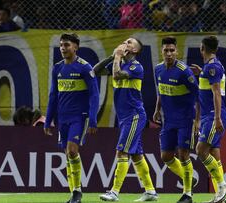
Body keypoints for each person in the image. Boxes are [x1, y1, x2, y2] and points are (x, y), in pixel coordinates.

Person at [93, 38, 158, 202]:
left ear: (135, 50)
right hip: (124, 117)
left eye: (129, 42)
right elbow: (95, 71)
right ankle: (150, 191)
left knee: (122, 151)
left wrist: (117, 57)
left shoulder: (136, 67)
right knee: (136, 155)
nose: (125, 43)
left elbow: (117, 75)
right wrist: (111, 56)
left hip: (134, 115)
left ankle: (114, 192)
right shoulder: (119, 62)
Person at [44, 33, 99, 203]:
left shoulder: (85, 67)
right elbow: (53, 95)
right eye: (61, 45)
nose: (63, 48)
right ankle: (74, 192)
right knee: (68, 154)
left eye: (66, 45)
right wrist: (48, 119)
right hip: (63, 118)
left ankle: (77, 192)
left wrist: (93, 118)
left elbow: (94, 95)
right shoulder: (58, 68)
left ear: (75, 47)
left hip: (79, 117)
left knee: (72, 151)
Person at [153, 36, 198, 203]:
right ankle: (189, 179)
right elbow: (161, 91)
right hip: (168, 120)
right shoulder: (158, 69)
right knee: (166, 156)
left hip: (185, 119)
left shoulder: (184, 71)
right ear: (162, 51)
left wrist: (198, 120)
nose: (169, 53)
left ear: (177, 52)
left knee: (183, 154)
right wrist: (157, 109)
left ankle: (188, 194)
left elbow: (198, 95)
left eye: (172, 50)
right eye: (166, 50)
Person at [191, 35, 226, 203]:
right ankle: (221, 197)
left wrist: (217, 117)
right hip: (209, 115)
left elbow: (216, 93)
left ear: (202, 49)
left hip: (213, 115)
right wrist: (202, 74)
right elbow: (207, 90)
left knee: (200, 150)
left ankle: (222, 185)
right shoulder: (209, 67)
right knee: (214, 153)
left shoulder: (213, 67)